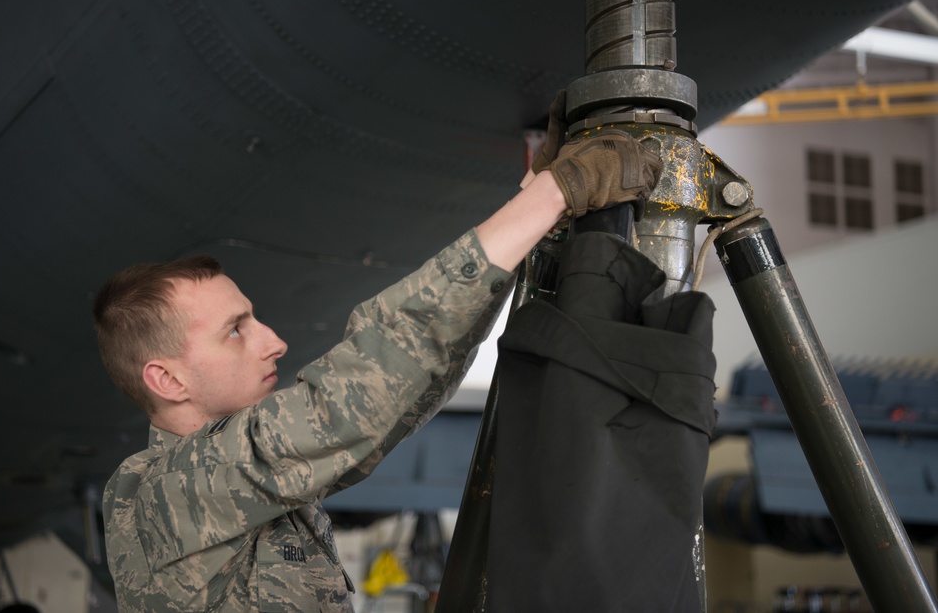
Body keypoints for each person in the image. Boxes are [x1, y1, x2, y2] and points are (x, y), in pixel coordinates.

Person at [93, 120, 662, 612]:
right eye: (235, 330)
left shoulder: (252, 487)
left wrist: (533, 213)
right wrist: (553, 195)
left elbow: (402, 391)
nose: (273, 341)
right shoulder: (158, 492)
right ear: (167, 380)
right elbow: (355, 396)